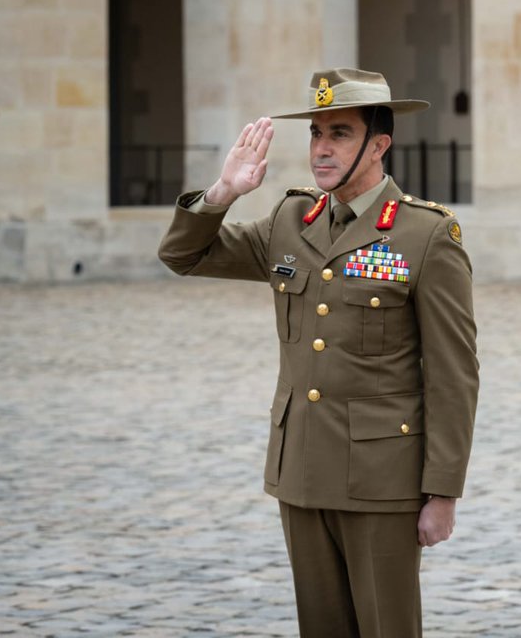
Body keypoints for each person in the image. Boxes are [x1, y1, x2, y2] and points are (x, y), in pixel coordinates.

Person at [158, 68, 479, 638]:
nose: (322, 149)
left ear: (379, 145)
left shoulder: (423, 236)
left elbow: (454, 376)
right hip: (302, 471)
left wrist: (443, 492)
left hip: (383, 482)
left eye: (340, 134)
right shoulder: (291, 219)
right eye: (316, 134)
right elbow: (184, 255)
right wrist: (223, 193)